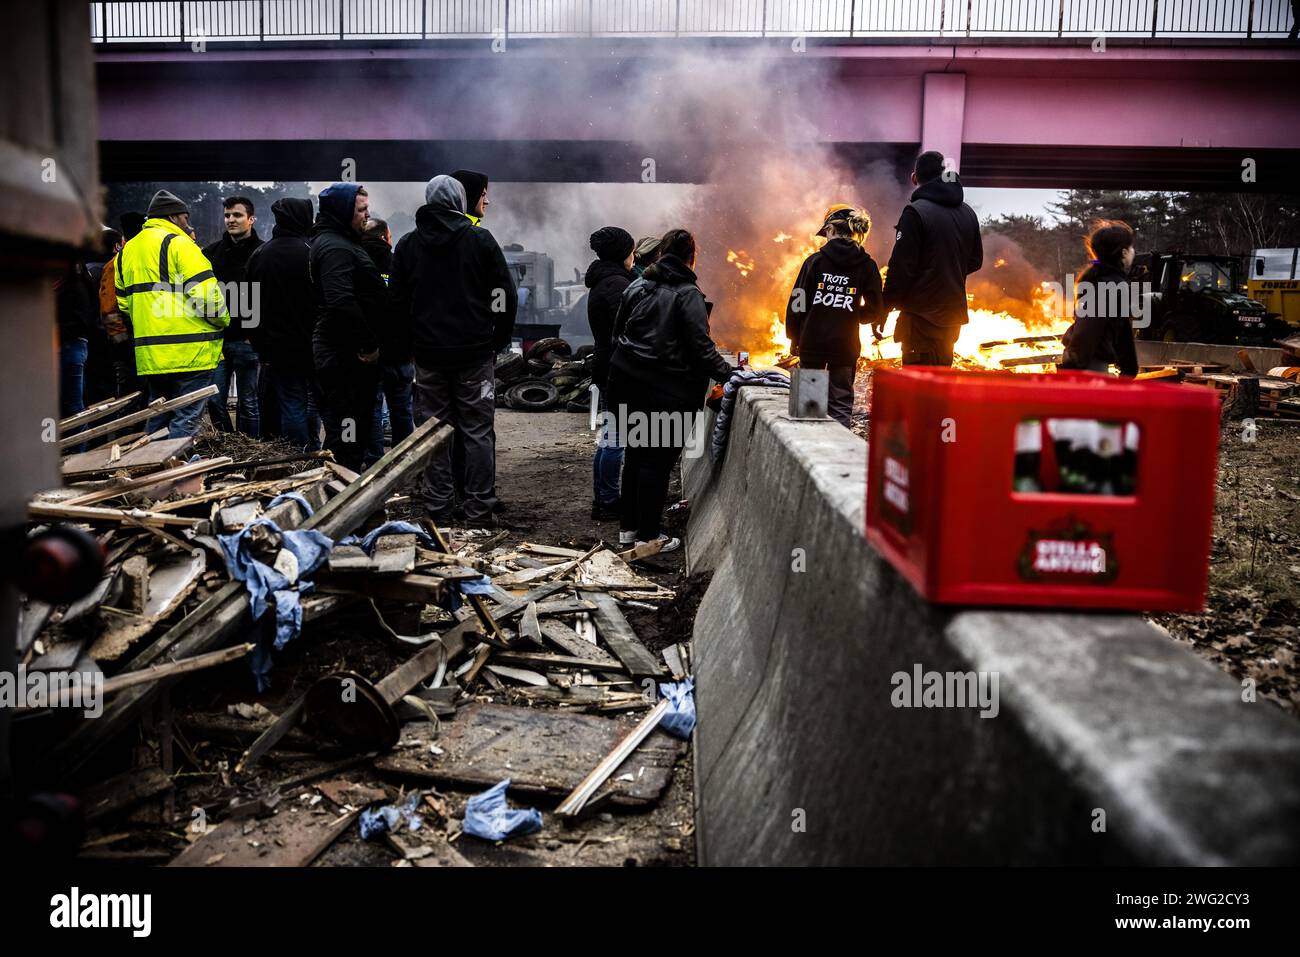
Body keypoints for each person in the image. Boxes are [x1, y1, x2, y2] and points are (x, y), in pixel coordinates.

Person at [391, 174, 517, 528]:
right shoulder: (480, 240)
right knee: (477, 431)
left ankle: (438, 511)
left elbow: (397, 304)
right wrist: (498, 341)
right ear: (460, 201)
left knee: (433, 431)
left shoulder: (408, 245)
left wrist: (407, 348)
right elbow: (503, 295)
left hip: (428, 357)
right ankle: (478, 510)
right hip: (475, 356)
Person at [607, 228, 733, 553]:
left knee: (635, 456)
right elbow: (701, 348)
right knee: (656, 463)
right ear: (692, 256)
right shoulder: (687, 293)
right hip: (663, 390)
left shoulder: (636, 285)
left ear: (662, 253)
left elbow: (616, 334)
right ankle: (650, 538)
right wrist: (733, 374)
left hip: (624, 382)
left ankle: (629, 531)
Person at [115, 189, 228, 438]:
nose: (188, 224)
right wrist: (224, 320)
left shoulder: (126, 252)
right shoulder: (180, 246)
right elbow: (208, 299)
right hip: (190, 352)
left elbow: (123, 304)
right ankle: (178, 474)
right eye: (186, 218)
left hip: (151, 356)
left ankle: (150, 467)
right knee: (186, 418)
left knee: (160, 413)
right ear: (174, 217)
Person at [309, 182, 387, 471]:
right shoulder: (335, 247)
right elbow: (340, 300)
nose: (367, 216)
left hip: (346, 352)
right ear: (343, 212)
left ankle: (347, 482)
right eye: (361, 210)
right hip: (345, 356)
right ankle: (344, 491)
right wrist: (367, 343)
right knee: (348, 431)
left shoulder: (341, 241)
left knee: (352, 429)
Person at [785, 204, 884, 428]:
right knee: (840, 406)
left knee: (808, 409)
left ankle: (805, 457)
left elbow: (797, 303)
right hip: (845, 346)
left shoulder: (815, 262)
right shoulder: (867, 266)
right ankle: (836, 458)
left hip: (812, 343)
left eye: (825, 232)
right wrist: (850, 312)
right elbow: (876, 308)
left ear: (831, 229)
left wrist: (794, 337)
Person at [882, 150, 982, 366]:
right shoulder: (968, 213)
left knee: (918, 389)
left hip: (920, 318)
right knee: (940, 386)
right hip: (952, 320)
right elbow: (975, 261)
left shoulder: (915, 212)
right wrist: (946, 271)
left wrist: (884, 306)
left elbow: (901, 268)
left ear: (914, 178)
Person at [246, 197, 323, 449]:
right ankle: (328, 453)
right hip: (316, 345)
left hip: (278, 350)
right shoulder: (313, 252)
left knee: (292, 406)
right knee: (323, 404)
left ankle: (299, 458)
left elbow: (248, 306)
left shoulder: (260, 255)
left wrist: (260, 346)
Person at [584, 226, 636, 520]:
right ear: (621, 253)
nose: (634, 256)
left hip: (605, 366)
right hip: (616, 369)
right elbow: (625, 331)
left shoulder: (603, 281)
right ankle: (607, 502)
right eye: (630, 251)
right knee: (615, 439)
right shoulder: (617, 285)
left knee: (608, 437)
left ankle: (603, 499)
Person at [203, 196, 264, 435]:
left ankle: (250, 449)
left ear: (251, 219)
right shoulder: (211, 253)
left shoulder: (262, 252)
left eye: (237, 215)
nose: (231, 220)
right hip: (218, 339)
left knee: (248, 402)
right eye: (227, 215)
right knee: (215, 400)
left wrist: (256, 335)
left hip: (248, 340)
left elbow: (267, 297)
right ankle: (228, 446)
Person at [360, 217, 415, 465]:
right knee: (402, 409)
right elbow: (413, 308)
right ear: (385, 237)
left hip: (369, 354)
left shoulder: (357, 264)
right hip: (401, 352)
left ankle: (374, 461)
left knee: (371, 409)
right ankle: (403, 461)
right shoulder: (400, 265)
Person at [1058, 220, 1139, 377]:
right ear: (1123, 253)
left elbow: (1120, 328)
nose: (1133, 251)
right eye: (1131, 247)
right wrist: (1074, 366)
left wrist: (1129, 369)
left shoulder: (1105, 280)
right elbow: (1088, 327)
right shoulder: (1108, 284)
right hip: (1087, 366)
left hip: (1089, 362)